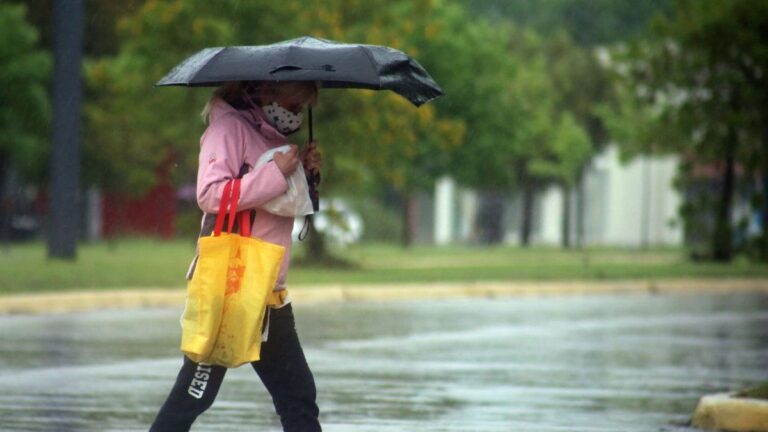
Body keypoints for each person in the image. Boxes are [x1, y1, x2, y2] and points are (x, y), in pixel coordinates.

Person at [149, 80, 322, 432]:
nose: (295, 114)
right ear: (267, 93)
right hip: (233, 285)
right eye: (293, 103)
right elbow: (211, 195)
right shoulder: (228, 129)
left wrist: (306, 173)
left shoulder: (273, 136)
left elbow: (278, 204)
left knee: (299, 395)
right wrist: (276, 173)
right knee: (194, 396)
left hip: (268, 290)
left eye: (302, 108)